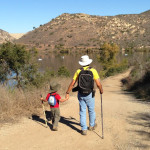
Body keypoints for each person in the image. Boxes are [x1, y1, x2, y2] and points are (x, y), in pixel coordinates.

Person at [65, 55, 103, 135]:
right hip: (90, 94)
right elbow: (98, 83)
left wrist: (67, 92)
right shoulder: (93, 71)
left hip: (81, 94)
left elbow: (72, 83)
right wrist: (101, 90)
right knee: (91, 110)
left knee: (82, 111)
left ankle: (84, 129)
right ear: (88, 62)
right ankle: (92, 126)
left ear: (81, 63)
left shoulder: (78, 71)